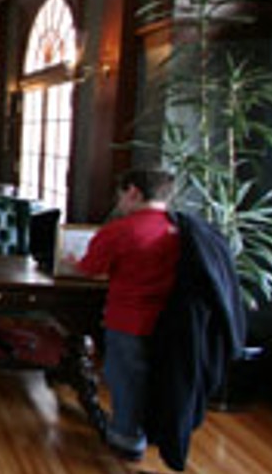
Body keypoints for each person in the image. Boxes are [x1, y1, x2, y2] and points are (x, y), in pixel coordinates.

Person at [73, 169, 181, 461]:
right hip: (173, 321)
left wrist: (72, 262)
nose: (120, 201)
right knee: (157, 378)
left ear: (133, 192)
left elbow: (89, 268)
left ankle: (126, 437)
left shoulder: (122, 230)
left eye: (121, 194)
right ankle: (152, 432)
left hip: (129, 317)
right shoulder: (182, 229)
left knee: (125, 377)